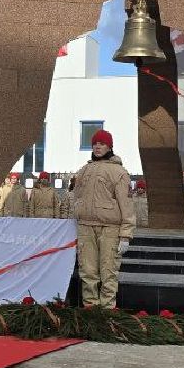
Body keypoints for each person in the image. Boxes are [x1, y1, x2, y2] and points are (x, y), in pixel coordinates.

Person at [71, 130, 134, 307]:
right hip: (86, 227)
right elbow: (76, 197)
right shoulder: (84, 170)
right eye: (95, 143)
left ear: (109, 146)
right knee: (88, 272)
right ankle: (91, 311)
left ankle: (106, 313)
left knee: (108, 273)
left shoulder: (119, 172)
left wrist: (126, 234)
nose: (98, 147)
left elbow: (127, 205)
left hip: (110, 229)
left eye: (102, 143)